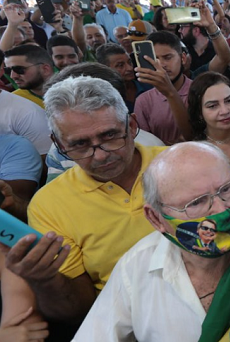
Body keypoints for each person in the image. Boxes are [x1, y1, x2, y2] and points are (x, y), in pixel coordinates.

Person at [73, 141, 230, 342]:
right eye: (197, 203)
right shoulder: (136, 266)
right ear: (156, 218)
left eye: (226, 190)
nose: (220, 209)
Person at [3, 76, 166, 324]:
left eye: (110, 136)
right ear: (57, 144)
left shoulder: (182, 162)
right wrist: (46, 279)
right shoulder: (49, 205)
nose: (100, 156)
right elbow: (78, 307)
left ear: (132, 126)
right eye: (80, 144)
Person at [134, 31, 193, 145]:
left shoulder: (201, 90)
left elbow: (196, 135)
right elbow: (144, 144)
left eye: (167, 57)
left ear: (183, 58)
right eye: (155, 59)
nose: (161, 64)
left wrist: (170, 92)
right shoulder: (143, 101)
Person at [4, 44, 55, 108]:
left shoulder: (67, 90)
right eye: (8, 71)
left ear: (45, 69)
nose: (13, 76)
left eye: (19, 69)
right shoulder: (13, 101)